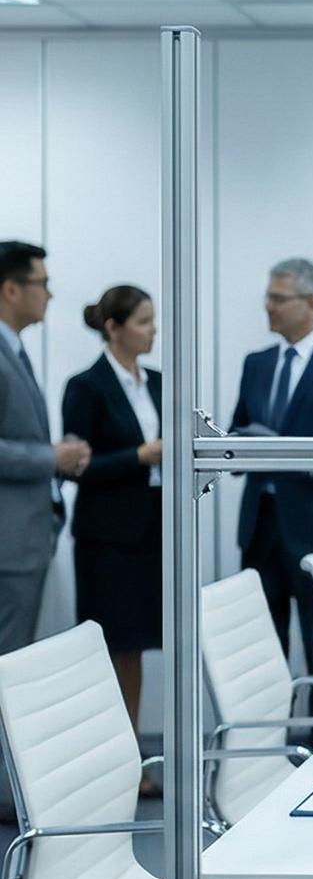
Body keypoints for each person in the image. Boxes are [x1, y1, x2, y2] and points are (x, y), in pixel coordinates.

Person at [230, 258, 313, 714]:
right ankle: (267, 752)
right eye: (269, 297)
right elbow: (241, 427)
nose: (269, 307)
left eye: (279, 299)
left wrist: (289, 451)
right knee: (262, 650)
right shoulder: (256, 364)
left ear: (312, 302)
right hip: (260, 526)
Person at [62, 285, 164, 789]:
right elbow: (78, 468)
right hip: (108, 538)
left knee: (138, 647)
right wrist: (139, 457)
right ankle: (108, 764)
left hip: (152, 533)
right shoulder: (86, 386)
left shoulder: (162, 383)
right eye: (144, 321)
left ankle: (133, 760)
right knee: (110, 648)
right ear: (114, 328)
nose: (152, 331)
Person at [0, 241, 87, 655]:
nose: (49, 295)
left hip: (24, 541)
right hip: (8, 548)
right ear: (11, 290)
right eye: (43, 283)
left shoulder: (14, 348)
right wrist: (51, 457)